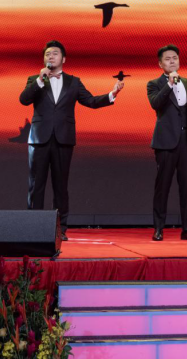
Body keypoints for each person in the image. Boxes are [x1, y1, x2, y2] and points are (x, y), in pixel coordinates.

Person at [20, 40, 123, 240]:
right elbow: (24, 99)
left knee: (60, 186)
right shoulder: (34, 79)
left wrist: (113, 94)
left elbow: (91, 101)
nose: (51, 56)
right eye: (47, 54)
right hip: (39, 139)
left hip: (64, 139)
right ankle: (33, 228)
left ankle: (59, 229)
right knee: (36, 185)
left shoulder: (74, 82)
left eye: (55, 53)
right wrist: (40, 80)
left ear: (64, 59)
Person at [147, 44, 187, 241]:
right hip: (165, 142)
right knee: (162, 187)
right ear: (160, 64)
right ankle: (158, 228)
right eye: (167, 59)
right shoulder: (154, 84)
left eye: (175, 58)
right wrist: (169, 84)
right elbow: (156, 103)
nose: (172, 61)